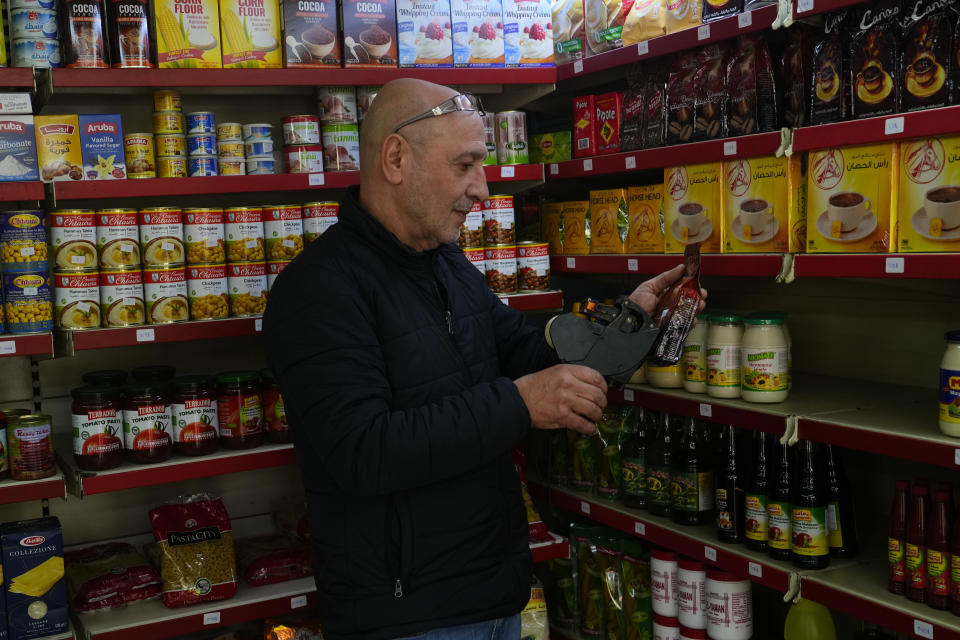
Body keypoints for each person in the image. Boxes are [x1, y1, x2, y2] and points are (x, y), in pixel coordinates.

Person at [264, 78, 704, 640]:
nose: (483, 188)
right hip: (407, 616)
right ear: (396, 159)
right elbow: (361, 452)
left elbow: (534, 361)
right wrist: (520, 404)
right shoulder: (320, 290)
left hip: (495, 593)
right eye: (466, 163)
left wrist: (634, 320)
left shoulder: (447, 266)